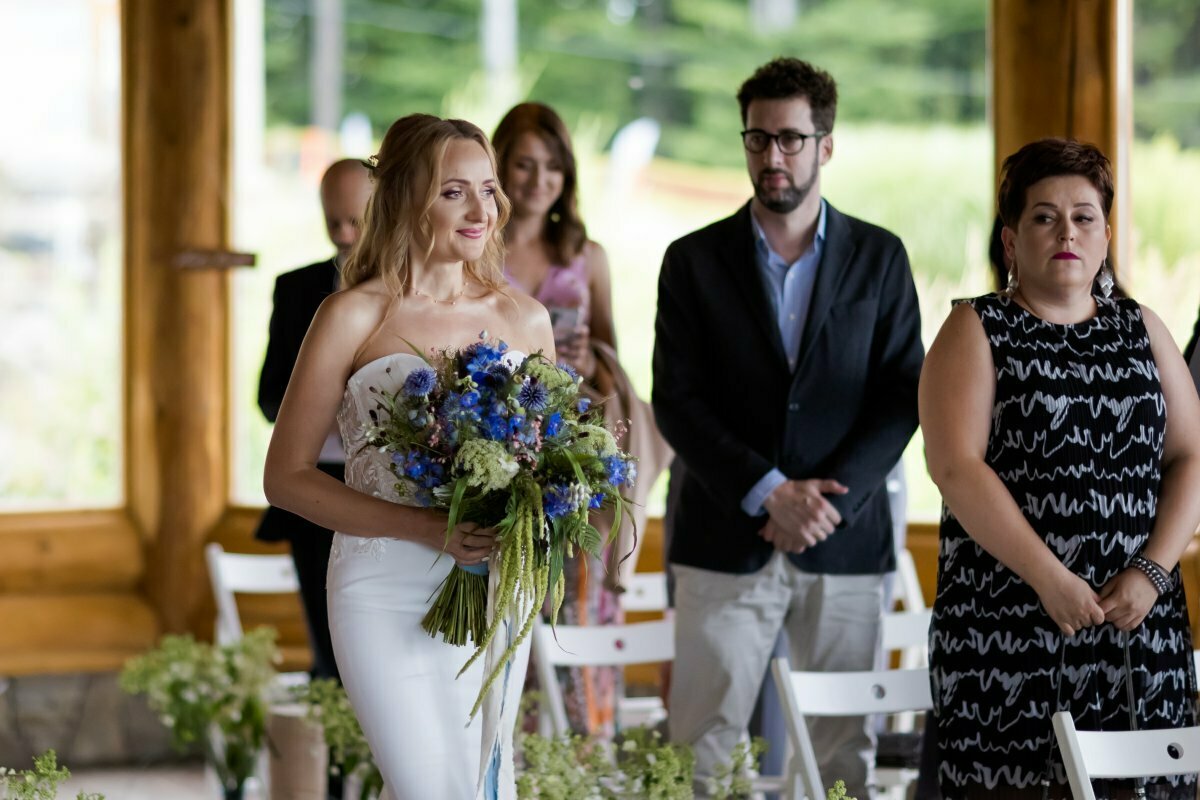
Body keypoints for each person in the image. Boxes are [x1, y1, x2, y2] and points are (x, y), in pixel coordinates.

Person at [652, 57, 924, 797]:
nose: (773, 156)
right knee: (701, 750)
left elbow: (904, 395)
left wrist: (824, 502)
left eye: (791, 140)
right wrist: (769, 491)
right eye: (758, 139)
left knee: (841, 755)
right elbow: (676, 399)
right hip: (722, 535)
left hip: (845, 539)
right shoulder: (692, 262)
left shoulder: (881, 257)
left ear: (825, 145)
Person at [263, 114, 555, 800]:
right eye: (455, 191)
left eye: (488, 189)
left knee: (479, 781)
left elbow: (542, 462)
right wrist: (427, 528)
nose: (482, 209)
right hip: (381, 587)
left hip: (494, 584)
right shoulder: (351, 315)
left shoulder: (526, 319)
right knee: (432, 787)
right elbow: (285, 477)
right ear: (405, 196)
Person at [920, 138, 1200, 799]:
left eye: (1084, 216)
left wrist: (1154, 572)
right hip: (1009, 632)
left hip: (1138, 622)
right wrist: (1051, 581)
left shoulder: (1144, 328)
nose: (1066, 231)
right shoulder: (975, 327)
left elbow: (1192, 456)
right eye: (1044, 216)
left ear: (1105, 236)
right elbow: (955, 467)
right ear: (1012, 240)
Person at [492, 101, 671, 738]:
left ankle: (582, 754)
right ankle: (507, 749)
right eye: (524, 164)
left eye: (554, 168)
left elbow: (610, 357)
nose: (539, 181)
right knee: (508, 602)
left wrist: (586, 381)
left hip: (576, 458)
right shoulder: (474, 253)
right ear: (499, 167)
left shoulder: (585, 254)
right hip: (495, 446)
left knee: (578, 606)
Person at [255, 158, 372, 685]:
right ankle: (330, 765)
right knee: (330, 650)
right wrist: (319, 403)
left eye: (357, 222)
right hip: (317, 484)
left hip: (398, 484)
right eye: (334, 224)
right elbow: (267, 395)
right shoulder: (298, 289)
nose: (346, 237)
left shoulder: (413, 293)